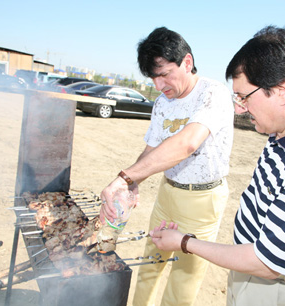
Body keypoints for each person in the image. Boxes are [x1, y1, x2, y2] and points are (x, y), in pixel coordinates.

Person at [150, 25, 285, 306]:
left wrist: (184, 242)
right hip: (251, 269)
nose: (239, 108)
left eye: (244, 96)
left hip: (278, 288)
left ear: (282, 90)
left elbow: (268, 263)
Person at [99, 27, 234, 306]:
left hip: (202, 199)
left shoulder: (214, 94)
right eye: (153, 78)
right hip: (167, 192)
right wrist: (131, 183)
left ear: (186, 62)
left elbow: (187, 144)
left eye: (163, 75)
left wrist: (124, 176)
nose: (159, 86)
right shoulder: (162, 103)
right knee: (149, 264)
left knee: (183, 280)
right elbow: (152, 149)